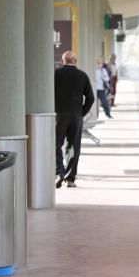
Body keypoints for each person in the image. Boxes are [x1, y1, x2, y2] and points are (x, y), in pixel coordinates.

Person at [54, 51, 95, 188]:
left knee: (56, 144)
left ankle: (59, 172)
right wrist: (81, 113)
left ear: (62, 61)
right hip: (76, 115)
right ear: (75, 61)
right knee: (73, 146)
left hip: (59, 114)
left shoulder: (56, 74)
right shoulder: (82, 76)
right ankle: (70, 177)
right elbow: (90, 98)